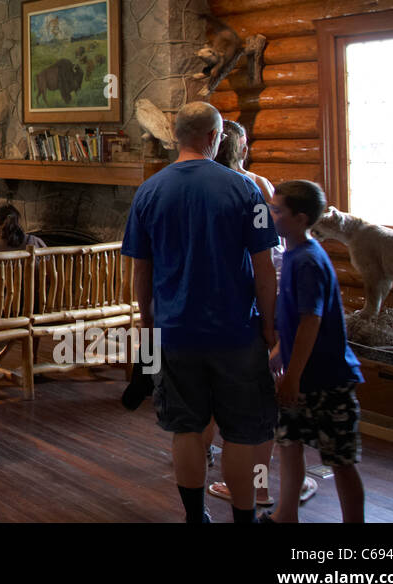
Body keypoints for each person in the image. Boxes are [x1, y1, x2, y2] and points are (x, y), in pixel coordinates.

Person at [121, 101, 279, 523]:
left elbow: (141, 269)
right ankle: (244, 517)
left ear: (176, 136)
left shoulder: (149, 191)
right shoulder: (246, 190)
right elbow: (265, 268)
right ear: (213, 138)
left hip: (175, 332)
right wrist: (270, 327)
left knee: (187, 429)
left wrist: (148, 327)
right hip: (237, 332)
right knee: (243, 432)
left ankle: (197, 518)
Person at [207, 120, 318, 507]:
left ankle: (259, 486)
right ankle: (261, 485)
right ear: (241, 146)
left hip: (233, 307)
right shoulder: (255, 184)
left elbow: (271, 254)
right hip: (262, 302)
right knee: (258, 404)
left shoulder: (215, 187)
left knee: (245, 403)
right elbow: (273, 255)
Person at [264, 180, 365, 523]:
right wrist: (278, 355)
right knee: (288, 444)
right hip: (299, 374)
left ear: (301, 218)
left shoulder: (308, 259)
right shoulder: (292, 254)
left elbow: (311, 322)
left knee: (340, 460)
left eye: (278, 210)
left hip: (326, 379)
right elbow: (292, 323)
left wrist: (291, 377)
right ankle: (285, 514)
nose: (271, 214)